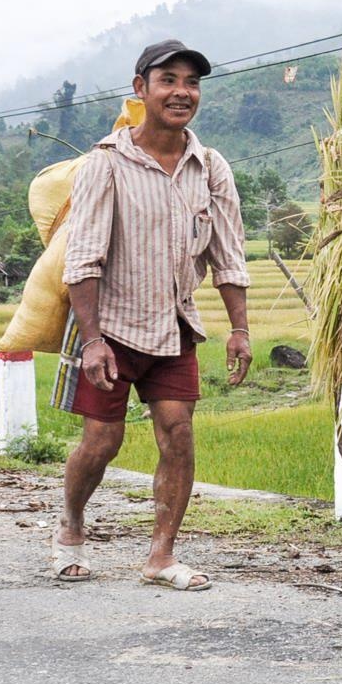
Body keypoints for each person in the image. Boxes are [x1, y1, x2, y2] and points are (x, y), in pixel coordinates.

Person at [49, 39, 254, 591]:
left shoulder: (210, 168)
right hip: (111, 328)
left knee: (178, 433)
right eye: (168, 80)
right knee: (102, 441)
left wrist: (239, 329)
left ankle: (161, 555)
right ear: (140, 90)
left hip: (175, 326)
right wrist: (92, 340)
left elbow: (228, 256)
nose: (181, 92)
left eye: (191, 82)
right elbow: (83, 258)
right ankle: (70, 526)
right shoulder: (107, 164)